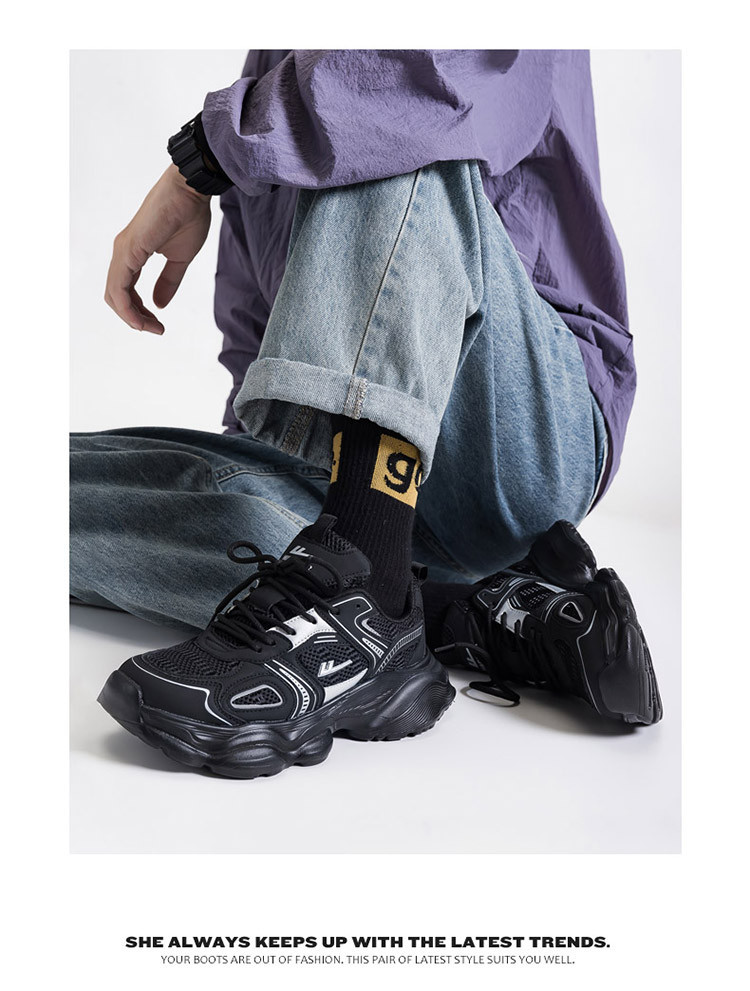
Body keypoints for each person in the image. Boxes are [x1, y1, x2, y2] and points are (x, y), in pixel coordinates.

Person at [72, 49, 662, 780]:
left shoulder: (268, 116)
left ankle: (362, 580)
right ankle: (459, 609)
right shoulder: (275, 67)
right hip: (370, 466)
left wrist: (196, 165)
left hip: (523, 432)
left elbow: (424, 78)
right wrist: (243, 499)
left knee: (374, 122)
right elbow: (265, 353)